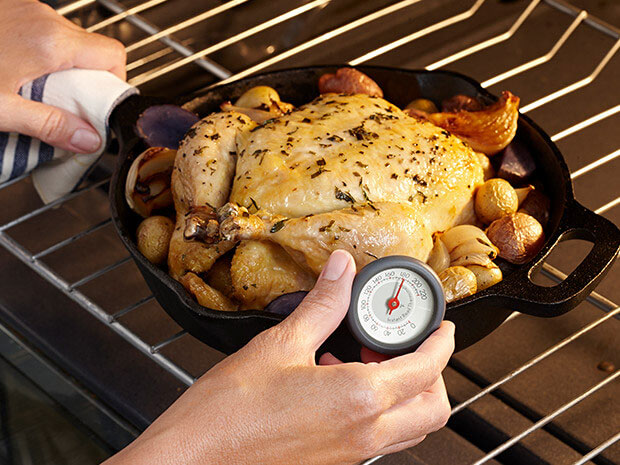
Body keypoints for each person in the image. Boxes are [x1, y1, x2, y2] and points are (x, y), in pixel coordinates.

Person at [0, 2, 455, 463]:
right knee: (409, 233)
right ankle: (238, 224)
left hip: (243, 186)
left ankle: (205, 219)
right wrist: (215, 452)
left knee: (226, 127)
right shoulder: (452, 159)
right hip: (263, 203)